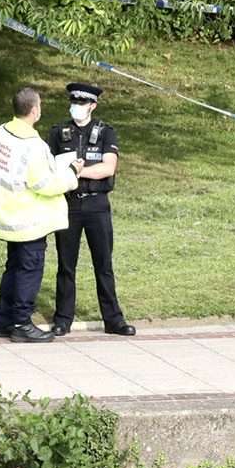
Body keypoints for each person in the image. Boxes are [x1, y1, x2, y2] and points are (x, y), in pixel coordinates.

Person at [0, 86, 82, 343]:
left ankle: (3, 320)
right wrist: (72, 174)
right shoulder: (33, 145)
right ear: (35, 110)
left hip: (5, 214)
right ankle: (21, 323)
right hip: (28, 219)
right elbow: (44, 184)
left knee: (14, 268)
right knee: (29, 270)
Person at [46, 82, 136, 338]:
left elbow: (108, 168)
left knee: (103, 264)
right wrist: (72, 173)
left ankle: (113, 319)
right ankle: (63, 319)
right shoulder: (58, 132)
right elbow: (49, 167)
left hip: (97, 205)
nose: (77, 107)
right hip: (69, 204)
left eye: (82, 103)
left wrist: (77, 171)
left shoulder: (106, 132)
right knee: (66, 265)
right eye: (74, 102)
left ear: (93, 106)